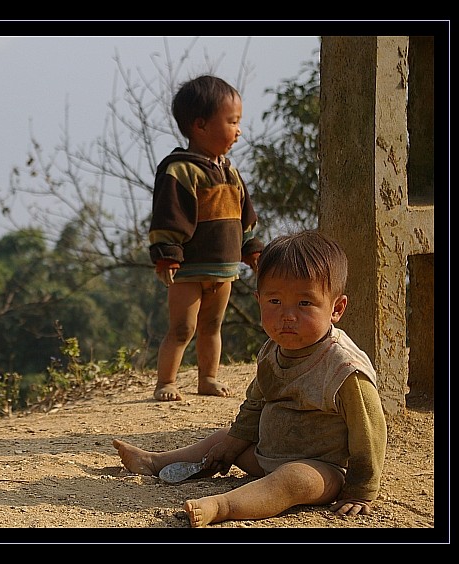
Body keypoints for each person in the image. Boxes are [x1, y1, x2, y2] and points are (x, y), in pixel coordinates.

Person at [113, 230, 388, 527]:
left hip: (322, 470)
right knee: (223, 438)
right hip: (263, 456)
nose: (287, 316)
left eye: (305, 304)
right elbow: (255, 403)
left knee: (292, 479)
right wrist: (232, 447)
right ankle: (153, 461)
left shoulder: (343, 368)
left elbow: (369, 432)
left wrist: (360, 490)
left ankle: (223, 506)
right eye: (275, 302)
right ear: (258, 300)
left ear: (336, 308)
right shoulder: (271, 351)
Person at [149, 75, 262, 402]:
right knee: (183, 328)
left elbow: (246, 216)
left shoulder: (230, 171)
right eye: (232, 121)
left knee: (213, 326)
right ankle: (165, 382)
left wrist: (252, 249)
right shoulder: (180, 170)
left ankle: (208, 378)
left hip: (224, 268)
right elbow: (168, 216)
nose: (238, 130)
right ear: (200, 125)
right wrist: (167, 253)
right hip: (189, 268)